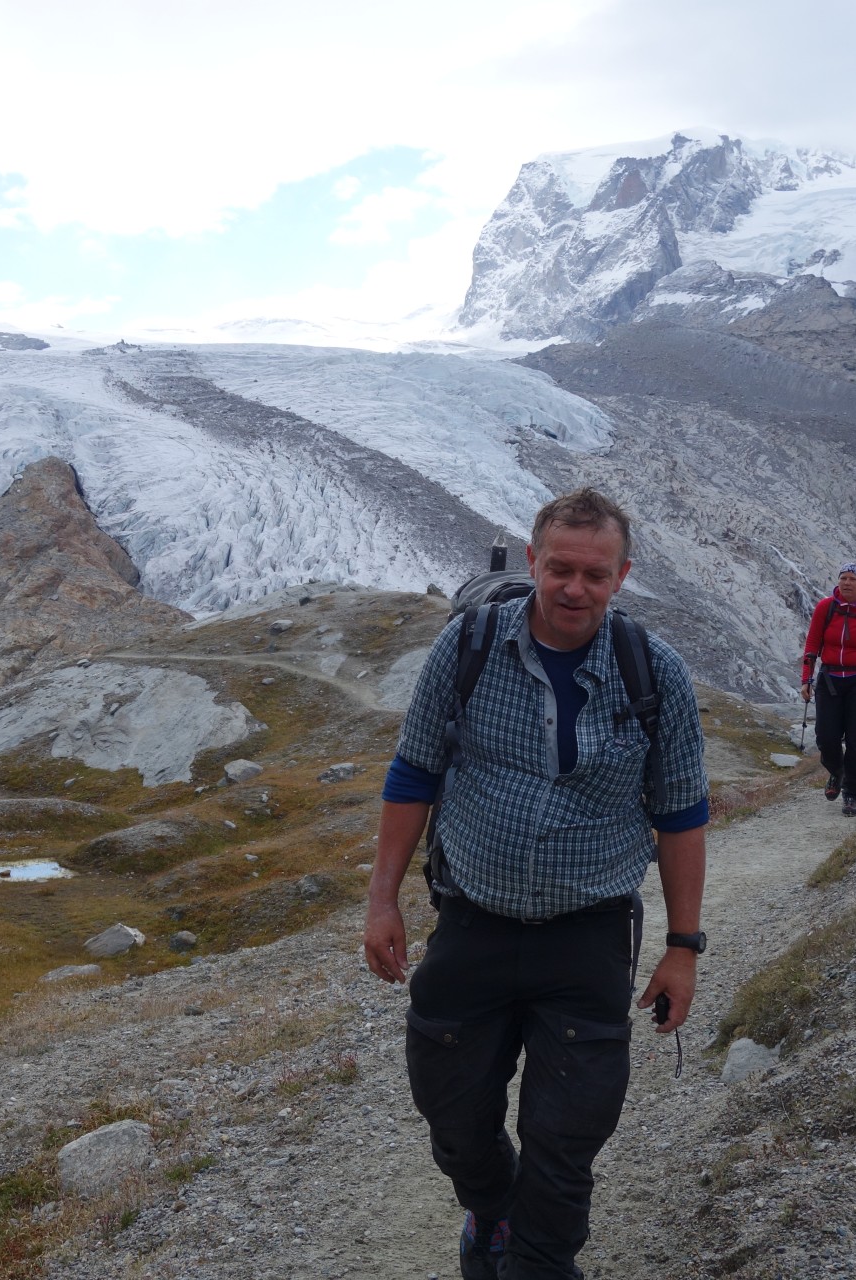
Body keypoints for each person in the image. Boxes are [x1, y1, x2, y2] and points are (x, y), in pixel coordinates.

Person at [363, 488, 709, 1280]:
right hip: (473, 923)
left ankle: (537, 1261)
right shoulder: (468, 645)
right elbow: (414, 772)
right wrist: (382, 901)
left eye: (595, 574)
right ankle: (492, 1207)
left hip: (587, 936)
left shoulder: (654, 672)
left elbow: (682, 814)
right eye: (560, 569)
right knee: (452, 1114)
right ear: (533, 561)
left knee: (567, 1136)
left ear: (622, 576)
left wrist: (683, 946)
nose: (574, 588)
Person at [800, 563, 856, 817]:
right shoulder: (825, 607)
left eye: (852, 579)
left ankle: (852, 794)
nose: (847, 583)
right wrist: (806, 679)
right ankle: (837, 771)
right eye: (843, 578)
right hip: (829, 679)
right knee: (825, 736)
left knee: (855, 740)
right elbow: (812, 644)